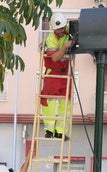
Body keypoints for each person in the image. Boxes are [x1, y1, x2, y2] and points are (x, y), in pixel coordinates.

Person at [40, 12, 75, 141]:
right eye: (58, 29)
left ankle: (60, 131)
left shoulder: (68, 33)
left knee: (66, 103)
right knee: (48, 100)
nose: (60, 31)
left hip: (65, 72)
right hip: (53, 72)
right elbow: (54, 57)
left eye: (62, 28)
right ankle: (49, 130)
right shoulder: (51, 38)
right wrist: (66, 46)